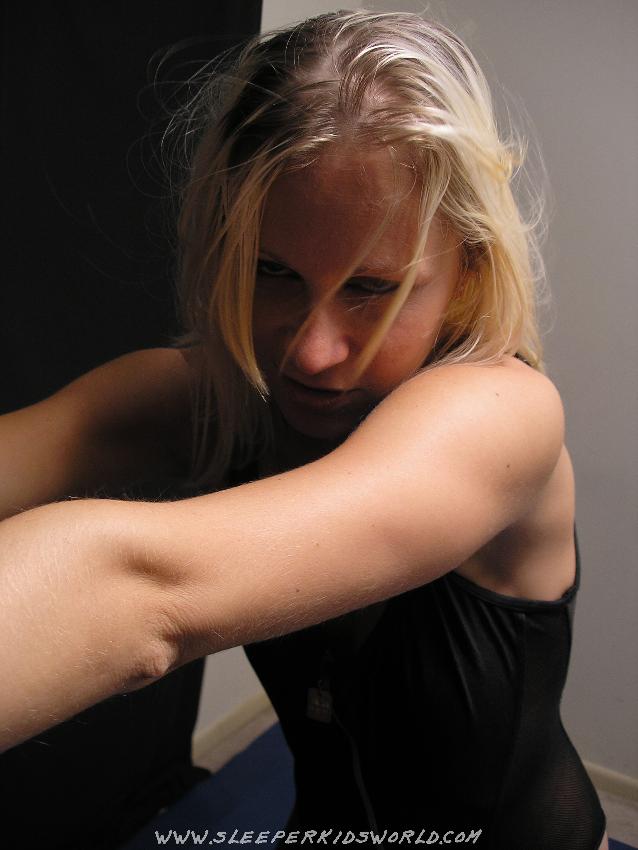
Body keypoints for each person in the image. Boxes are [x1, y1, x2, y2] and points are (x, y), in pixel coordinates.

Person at [0, 10, 608, 849]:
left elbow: (134, 587)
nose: (314, 353)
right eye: (272, 272)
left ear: (467, 269)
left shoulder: (504, 413)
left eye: (371, 288)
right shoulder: (208, 396)